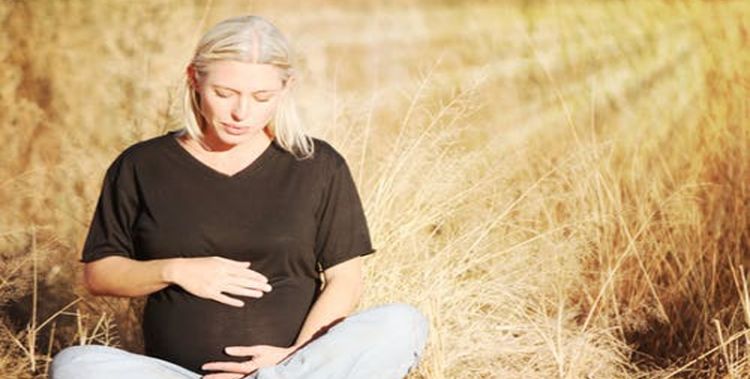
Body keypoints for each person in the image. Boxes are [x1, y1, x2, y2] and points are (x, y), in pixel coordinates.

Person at [50, 15, 429, 379]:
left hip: (292, 368)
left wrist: (293, 357)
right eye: (224, 93)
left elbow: (344, 279)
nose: (241, 113)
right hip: (177, 374)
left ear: (286, 87)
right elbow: (99, 274)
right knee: (75, 365)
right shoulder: (142, 164)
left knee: (403, 324)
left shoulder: (318, 165)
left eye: (261, 96)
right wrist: (177, 269)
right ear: (194, 79)